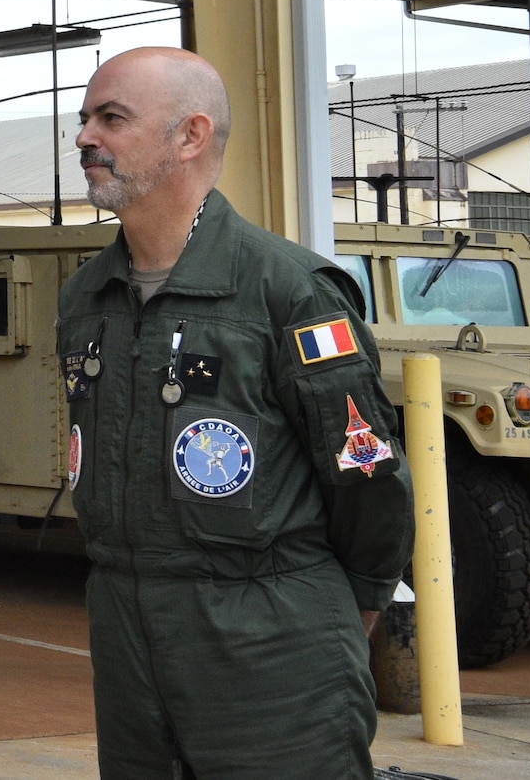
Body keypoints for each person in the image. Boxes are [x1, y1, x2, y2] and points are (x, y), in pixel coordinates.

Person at [58, 47, 412, 780]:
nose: (85, 136)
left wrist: (353, 610)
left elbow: (366, 469)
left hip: (270, 641)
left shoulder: (289, 291)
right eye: (85, 118)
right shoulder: (87, 297)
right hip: (128, 635)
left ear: (190, 136)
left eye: (111, 117)